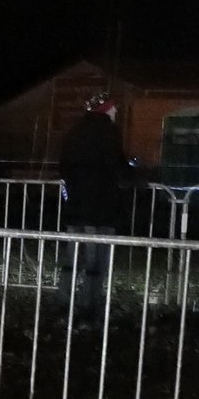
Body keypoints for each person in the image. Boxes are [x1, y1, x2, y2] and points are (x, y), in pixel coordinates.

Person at [56, 91, 125, 319]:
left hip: (76, 207)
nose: (116, 110)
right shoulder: (108, 132)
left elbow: (64, 166)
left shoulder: (75, 131)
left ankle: (64, 301)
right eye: (113, 107)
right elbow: (116, 166)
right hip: (100, 208)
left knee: (72, 257)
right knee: (96, 261)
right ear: (105, 109)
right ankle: (89, 304)